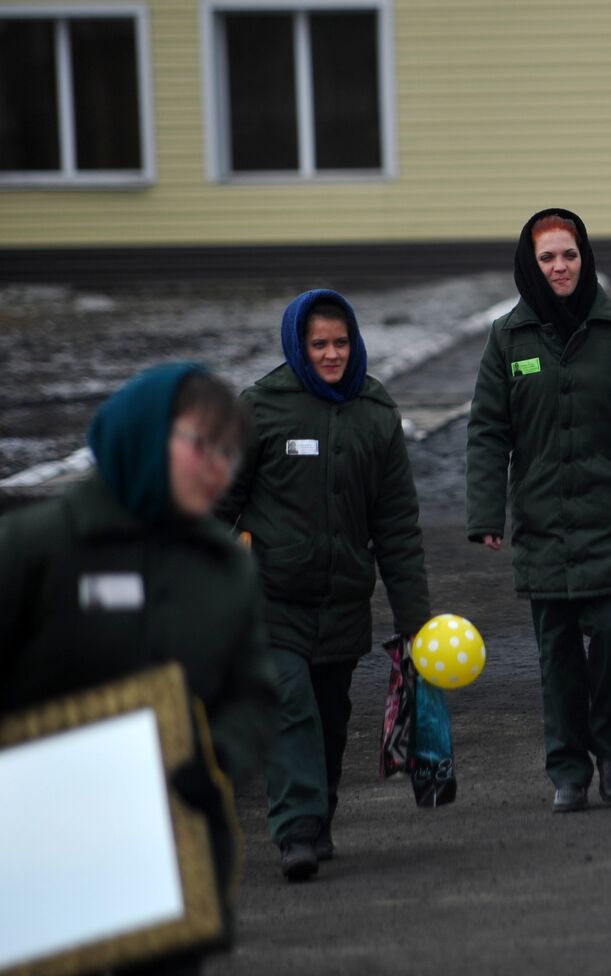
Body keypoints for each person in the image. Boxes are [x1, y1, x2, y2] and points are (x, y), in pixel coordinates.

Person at [0, 362, 276, 974]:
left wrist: (217, 758)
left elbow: (252, 693)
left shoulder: (225, 567)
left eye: (229, 452)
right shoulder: (36, 545)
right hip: (38, 850)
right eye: (203, 444)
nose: (218, 467)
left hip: (168, 854)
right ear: (145, 434)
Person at [465, 208, 611, 813]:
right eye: (547, 258)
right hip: (544, 521)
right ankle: (568, 770)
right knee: (557, 652)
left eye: (569, 255)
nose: (560, 267)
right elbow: (488, 429)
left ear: (584, 258)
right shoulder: (508, 338)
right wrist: (486, 514)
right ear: (529, 265)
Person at [215, 289, 431, 881]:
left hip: (343, 601)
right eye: (319, 345)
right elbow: (219, 504)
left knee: (331, 718)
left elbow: (396, 525)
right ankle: (296, 833)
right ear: (297, 346)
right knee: (292, 713)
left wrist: (417, 620)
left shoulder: (375, 411)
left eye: (340, 343)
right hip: (272, 600)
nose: (332, 355)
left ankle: (319, 817)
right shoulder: (259, 409)